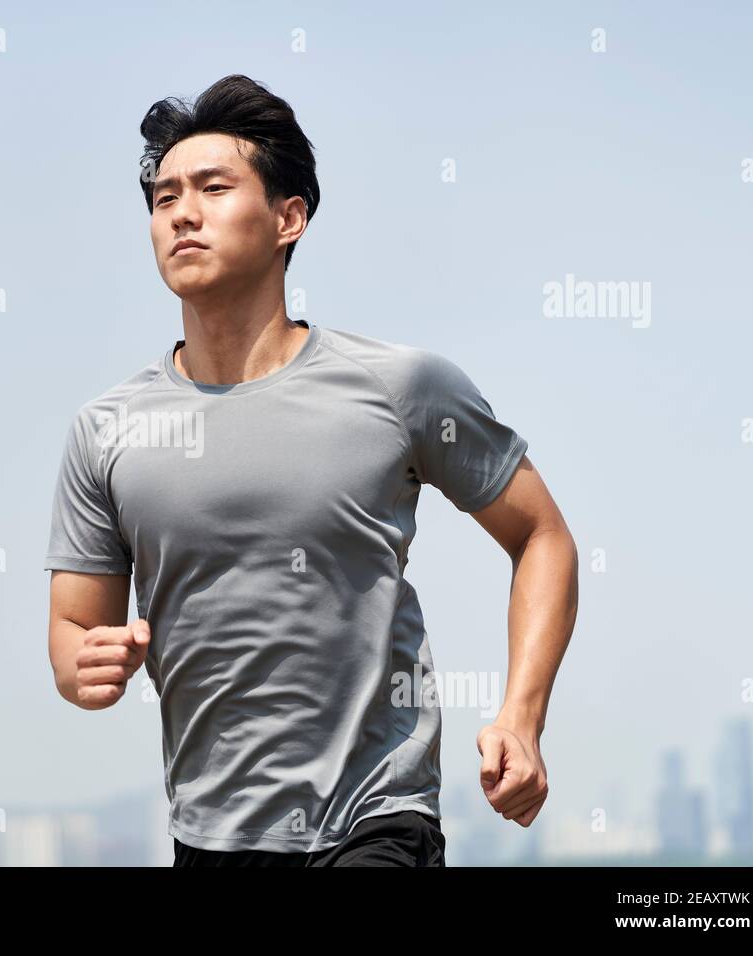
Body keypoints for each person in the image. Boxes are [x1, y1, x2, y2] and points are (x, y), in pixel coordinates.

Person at [43, 75, 579, 867]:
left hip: (376, 821)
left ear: (288, 217)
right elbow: (72, 629)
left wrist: (521, 719)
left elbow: (542, 535)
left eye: (213, 188)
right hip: (209, 837)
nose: (181, 212)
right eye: (163, 199)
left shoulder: (400, 386)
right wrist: (80, 667)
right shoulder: (106, 431)